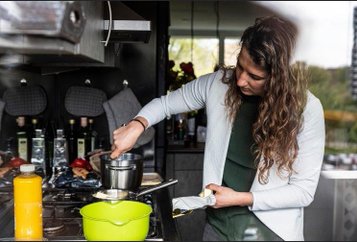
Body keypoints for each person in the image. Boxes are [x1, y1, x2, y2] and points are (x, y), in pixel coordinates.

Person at [110, 16, 325, 241]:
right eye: (240, 66)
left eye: (255, 76)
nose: (241, 81)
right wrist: (137, 124)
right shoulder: (218, 84)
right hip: (218, 227)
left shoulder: (307, 110)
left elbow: (303, 192)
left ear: (280, 78)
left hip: (271, 232)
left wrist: (240, 198)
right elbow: (165, 104)